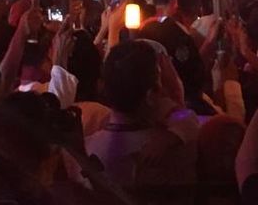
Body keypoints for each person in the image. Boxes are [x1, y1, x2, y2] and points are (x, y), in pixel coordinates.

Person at [85, 40, 199, 197]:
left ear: (102, 86)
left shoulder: (84, 151)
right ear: (151, 94)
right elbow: (188, 117)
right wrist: (175, 98)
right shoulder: (177, 149)